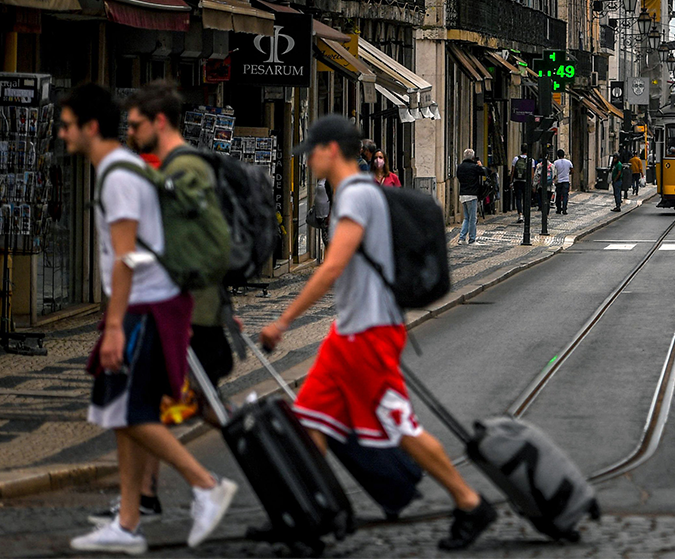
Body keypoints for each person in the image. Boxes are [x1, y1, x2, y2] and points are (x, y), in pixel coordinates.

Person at [259, 115, 496, 551]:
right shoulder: (359, 192)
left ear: (331, 150)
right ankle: (309, 513)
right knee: (309, 419)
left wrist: (283, 320)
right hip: (347, 333)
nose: (307, 159)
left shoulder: (354, 195)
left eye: (311, 150)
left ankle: (469, 502)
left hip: (370, 333)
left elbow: (332, 266)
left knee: (398, 424)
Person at [60, 83, 236, 555]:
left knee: (133, 413)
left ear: (89, 128)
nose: (61, 135)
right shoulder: (123, 169)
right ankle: (128, 520)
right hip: (147, 303)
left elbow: (124, 258)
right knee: (121, 415)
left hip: (144, 305)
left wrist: (114, 326)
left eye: (66, 126)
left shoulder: (117, 175)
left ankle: (205, 484)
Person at [456, 148, 486, 245]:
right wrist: (480, 166)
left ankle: (462, 238)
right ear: (472, 157)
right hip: (472, 195)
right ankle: (472, 239)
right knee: (473, 218)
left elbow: (459, 177)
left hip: (463, 194)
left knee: (466, 218)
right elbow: (485, 172)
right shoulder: (474, 167)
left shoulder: (460, 167)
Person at [511, 145, 533, 223]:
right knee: (526, 199)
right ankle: (526, 215)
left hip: (517, 181)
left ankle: (520, 215)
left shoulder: (516, 159)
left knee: (518, 198)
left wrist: (511, 181)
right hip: (526, 182)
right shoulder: (531, 160)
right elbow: (532, 173)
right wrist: (532, 183)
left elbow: (513, 171)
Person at [553, 149, 573, 215]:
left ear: (558, 155)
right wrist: (567, 173)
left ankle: (558, 209)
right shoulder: (568, 162)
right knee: (565, 196)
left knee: (558, 196)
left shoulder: (555, 162)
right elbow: (572, 171)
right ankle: (564, 209)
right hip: (566, 180)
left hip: (559, 181)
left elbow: (554, 172)